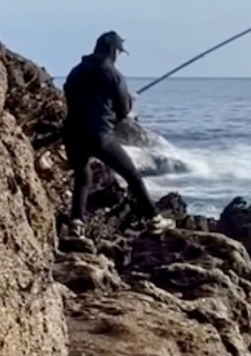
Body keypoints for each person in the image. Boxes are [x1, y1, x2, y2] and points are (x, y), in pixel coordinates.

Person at [62, 31, 171, 233]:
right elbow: (123, 111)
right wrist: (129, 99)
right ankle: (154, 219)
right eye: (119, 52)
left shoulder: (76, 71)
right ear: (113, 50)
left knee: (82, 175)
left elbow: (69, 95)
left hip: (73, 133)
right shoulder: (112, 74)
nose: (118, 56)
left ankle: (76, 222)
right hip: (99, 135)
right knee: (132, 174)